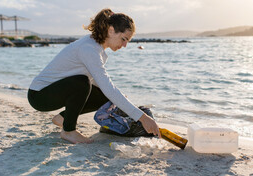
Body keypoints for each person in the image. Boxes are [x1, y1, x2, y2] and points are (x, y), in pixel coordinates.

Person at [27, 8, 160, 144]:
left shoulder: (96, 48)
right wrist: (142, 118)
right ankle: (68, 131)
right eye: (123, 39)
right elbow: (106, 86)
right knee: (82, 84)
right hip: (39, 95)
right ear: (111, 30)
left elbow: (102, 85)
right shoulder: (89, 48)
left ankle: (63, 119)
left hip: (54, 91)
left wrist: (121, 101)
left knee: (104, 96)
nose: (125, 45)